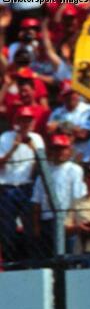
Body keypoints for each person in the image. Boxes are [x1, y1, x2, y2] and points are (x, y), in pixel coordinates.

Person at [0, 105, 44, 263]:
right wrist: (14, 147)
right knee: (7, 230)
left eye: (29, 120)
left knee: (30, 228)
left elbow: (42, 165)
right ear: (17, 121)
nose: (26, 124)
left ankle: (31, 261)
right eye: (23, 120)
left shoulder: (37, 138)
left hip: (27, 186)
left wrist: (33, 148)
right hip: (8, 187)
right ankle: (10, 261)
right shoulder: (6, 137)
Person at [31, 134, 85, 259]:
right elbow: (36, 201)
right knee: (49, 259)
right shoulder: (44, 171)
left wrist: (73, 221)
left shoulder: (75, 169)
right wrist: (36, 226)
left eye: (62, 148)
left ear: (69, 150)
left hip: (67, 219)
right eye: (56, 149)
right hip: (47, 221)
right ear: (51, 151)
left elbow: (77, 198)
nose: (59, 152)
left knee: (70, 257)